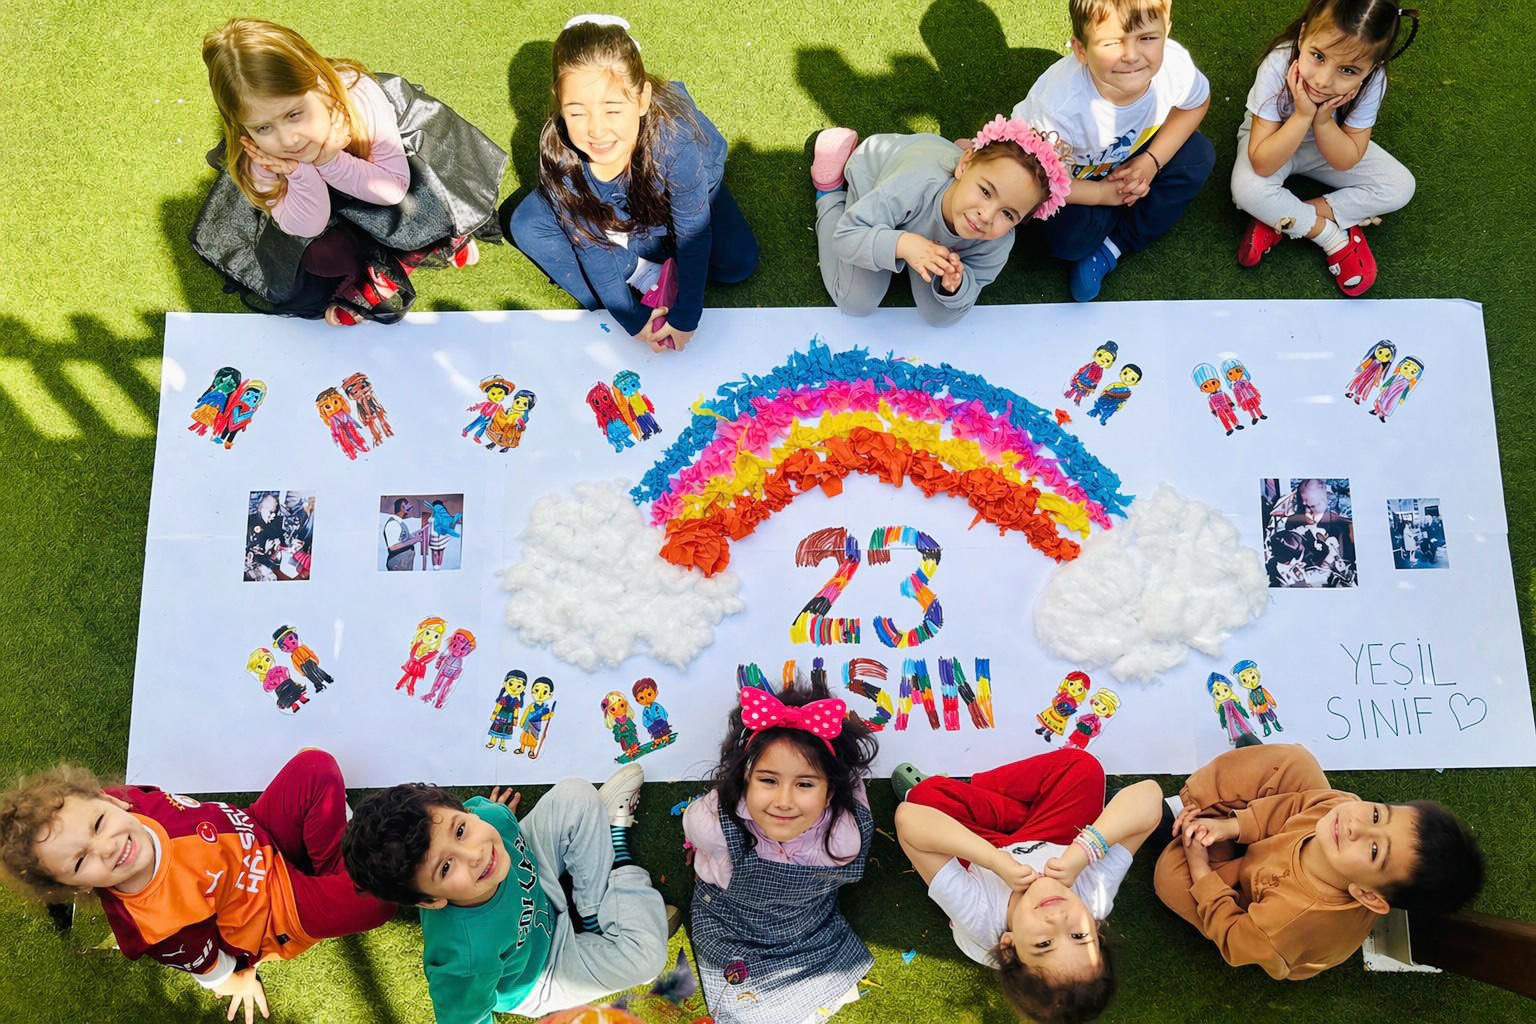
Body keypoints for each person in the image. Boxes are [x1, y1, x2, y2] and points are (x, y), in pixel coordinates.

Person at [0, 750, 394, 1024]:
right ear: (73, 887)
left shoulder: (131, 803)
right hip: (275, 909)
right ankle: (338, 875)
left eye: (99, 823)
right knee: (376, 904)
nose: (108, 847)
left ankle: (336, 868)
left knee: (316, 765)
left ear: (111, 800)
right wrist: (235, 980)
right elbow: (205, 965)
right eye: (81, 861)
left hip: (260, 831)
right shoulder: (153, 923)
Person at [192, 18, 506, 325]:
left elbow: (395, 188)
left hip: (396, 180)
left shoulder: (358, 96)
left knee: (430, 197)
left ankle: (437, 237)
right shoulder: (258, 156)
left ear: (317, 83)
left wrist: (331, 160)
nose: (288, 140)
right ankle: (369, 273)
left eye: (294, 114)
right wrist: (305, 171)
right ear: (241, 126)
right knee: (319, 256)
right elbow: (309, 225)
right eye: (263, 126)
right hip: (329, 204)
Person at [341, 765, 671, 1023]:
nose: (475, 854)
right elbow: (464, 1020)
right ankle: (619, 850)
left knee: (577, 794)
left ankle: (594, 915)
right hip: (542, 972)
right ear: (430, 901)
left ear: (466, 812)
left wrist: (499, 817)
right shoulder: (462, 958)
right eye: (445, 868)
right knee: (646, 959)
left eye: (460, 830)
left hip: (539, 881)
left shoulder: (490, 818)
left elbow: (481, 825)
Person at [507, 16, 757, 352]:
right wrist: (633, 319)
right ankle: (638, 269)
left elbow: (693, 233)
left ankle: (636, 252)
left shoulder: (676, 141)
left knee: (737, 262)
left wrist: (686, 317)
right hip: (623, 217)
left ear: (641, 100)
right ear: (560, 106)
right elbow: (589, 249)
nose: (596, 131)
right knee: (526, 225)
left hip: (676, 195)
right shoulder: (561, 155)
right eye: (577, 112)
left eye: (612, 110)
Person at [1154, 743, 1483, 979]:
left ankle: (1199, 839)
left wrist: (1200, 868)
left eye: (1373, 851)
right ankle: (1190, 809)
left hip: (1254, 900)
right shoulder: (1341, 811)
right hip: (1272, 847)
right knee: (1295, 762)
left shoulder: (1289, 921)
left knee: (1170, 879)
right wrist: (1232, 825)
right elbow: (1289, 809)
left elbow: (1237, 937)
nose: (1357, 826)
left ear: (1368, 895)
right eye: (1377, 814)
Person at [893, 749, 1162, 1023]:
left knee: (925, 797)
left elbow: (908, 819)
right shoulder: (1094, 898)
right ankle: (1001, 805)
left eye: (1044, 943)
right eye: (1080, 937)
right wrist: (1081, 853)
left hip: (983, 852)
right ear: (1097, 928)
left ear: (1008, 947)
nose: (1058, 919)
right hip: (1050, 837)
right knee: (1083, 768)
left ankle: (1001, 807)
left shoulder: (978, 915)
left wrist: (995, 860)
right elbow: (1149, 796)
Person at [683, 682, 878, 1023]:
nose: (783, 802)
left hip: (808, 925)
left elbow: (854, 784)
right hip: (733, 922)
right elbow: (699, 840)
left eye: (805, 784)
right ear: (745, 779)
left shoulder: (845, 837)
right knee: (742, 1003)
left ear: (830, 793)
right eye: (768, 781)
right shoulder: (712, 825)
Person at [1012, 0, 1214, 301]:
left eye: (1147, 38)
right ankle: (1115, 216)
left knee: (1198, 156)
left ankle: (1111, 248)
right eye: (1112, 43)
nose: (1131, 56)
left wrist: (1151, 162)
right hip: (1065, 180)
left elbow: (1196, 103)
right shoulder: (1059, 108)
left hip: (1134, 157)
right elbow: (1036, 182)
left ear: (1167, 29)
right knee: (1066, 240)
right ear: (1080, 50)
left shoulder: (1174, 65)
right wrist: (1101, 195)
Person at [1232, 0, 1420, 296]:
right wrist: (1302, 115)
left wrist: (1321, 122)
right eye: (1317, 56)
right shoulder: (1278, 62)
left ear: (1372, 67)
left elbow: (1345, 159)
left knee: (1400, 187)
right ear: (1304, 35)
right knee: (1247, 191)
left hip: (1328, 143)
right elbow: (1263, 163)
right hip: (1275, 140)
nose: (1323, 80)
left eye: (1347, 70)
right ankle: (1330, 236)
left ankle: (1281, 217)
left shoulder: (1373, 82)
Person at [807, 114, 1071, 325]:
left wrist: (954, 286)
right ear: (965, 165)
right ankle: (829, 194)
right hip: (878, 176)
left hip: (924, 216)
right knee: (856, 301)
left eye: (1008, 214)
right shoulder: (914, 182)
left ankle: (960, 162)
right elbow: (847, 236)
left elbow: (964, 296)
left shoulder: (998, 242)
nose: (987, 215)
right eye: (986, 191)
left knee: (940, 315)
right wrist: (903, 244)